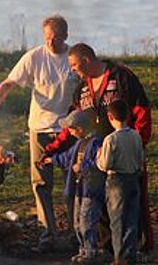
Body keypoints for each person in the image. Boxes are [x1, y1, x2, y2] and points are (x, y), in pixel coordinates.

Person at [40, 43, 154, 254]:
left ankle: (134, 249)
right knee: (100, 206)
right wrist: (52, 149)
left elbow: (142, 111)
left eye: (74, 65)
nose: (72, 70)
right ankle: (107, 249)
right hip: (97, 159)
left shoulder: (122, 77)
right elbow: (72, 124)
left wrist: (137, 143)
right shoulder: (81, 90)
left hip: (124, 154)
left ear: (86, 60)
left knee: (129, 204)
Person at [0, 14, 79, 251]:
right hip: (40, 130)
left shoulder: (74, 57)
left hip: (70, 131)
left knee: (72, 184)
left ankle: (77, 235)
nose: (49, 43)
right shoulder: (34, 57)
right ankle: (48, 236)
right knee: (41, 184)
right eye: (46, 38)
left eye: (54, 39)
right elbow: (8, 84)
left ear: (65, 36)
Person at [49, 110, 106, 264]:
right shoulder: (78, 144)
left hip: (91, 190)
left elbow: (100, 164)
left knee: (87, 221)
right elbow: (66, 158)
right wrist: (51, 160)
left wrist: (83, 166)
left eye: (71, 129)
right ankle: (83, 249)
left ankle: (90, 251)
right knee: (76, 221)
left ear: (79, 129)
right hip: (79, 190)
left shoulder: (96, 143)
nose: (69, 132)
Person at [97, 100, 145, 264]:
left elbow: (105, 165)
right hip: (133, 178)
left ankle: (120, 257)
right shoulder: (136, 135)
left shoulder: (111, 139)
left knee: (117, 221)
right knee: (132, 220)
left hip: (116, 180)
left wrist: (98, 156)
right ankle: (130, 255)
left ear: (110, 116)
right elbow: (140, 160)